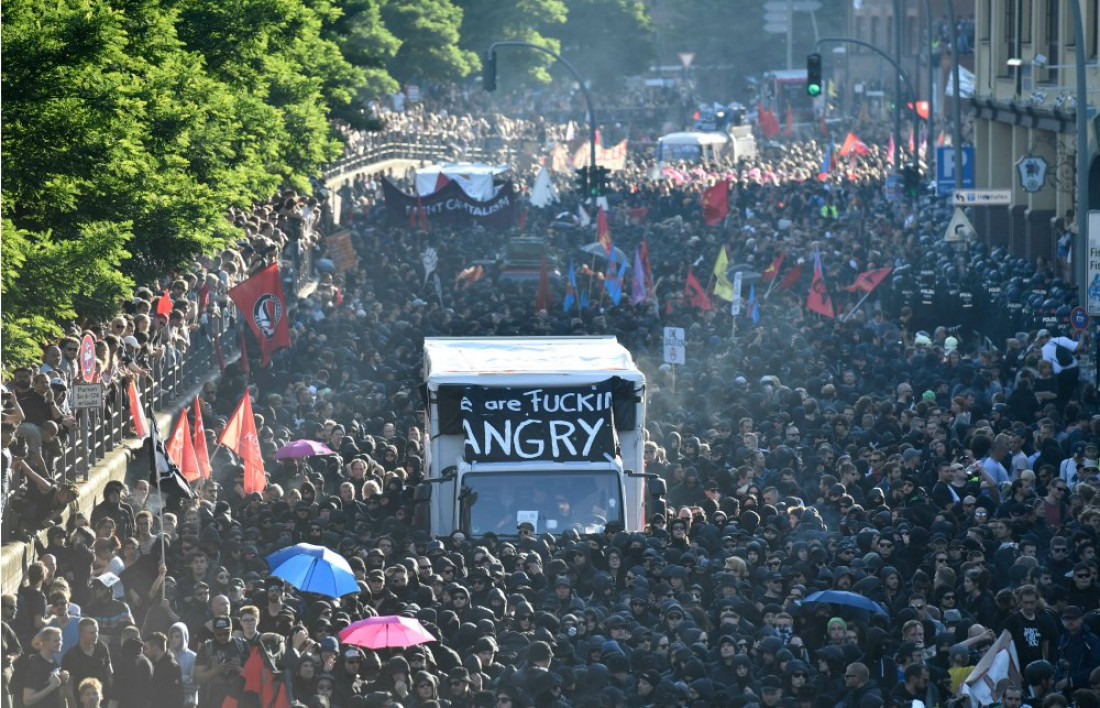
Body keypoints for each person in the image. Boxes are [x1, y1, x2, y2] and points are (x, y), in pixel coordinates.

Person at [1054, 606, 1100, 693]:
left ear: (1081, 619)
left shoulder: (1091, 640)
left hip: (1085, 689)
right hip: (1063, 689)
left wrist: (1071, 681)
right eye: (1066, 619)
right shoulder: (1062, 639)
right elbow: (1056, 661)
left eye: (1074, 618)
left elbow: (1096, 667)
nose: (1070, 621)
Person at [21, 627, 69, 708]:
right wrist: (51, 686)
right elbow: (27, 700)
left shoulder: (54, 662)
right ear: (45, 642)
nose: (60, 643)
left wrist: (62, 679)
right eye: (55, 641)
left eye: (61, 640)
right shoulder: (36, 665)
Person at [143, 632, 184, 708]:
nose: (144, 652)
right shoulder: (155, 665)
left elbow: (176, 698)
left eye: (146, 648)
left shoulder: (172, 668)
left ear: (155, 647)